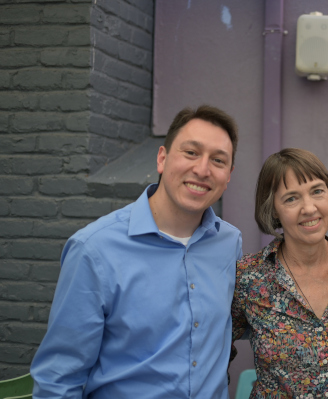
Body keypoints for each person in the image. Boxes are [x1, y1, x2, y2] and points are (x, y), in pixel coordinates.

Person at [30, 105, 242, 398]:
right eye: (191, 152)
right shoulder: (94, 250)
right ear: (162, 158)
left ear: (228, 175)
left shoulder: (229, 243)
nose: (203, 169)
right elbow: (58, 380)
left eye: (218, 160)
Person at [231, 148, 328, 398]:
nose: (309, 208)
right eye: (291, 198)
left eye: (317, 191)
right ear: (273, 210)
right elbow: (210, 353)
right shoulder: (248, 279)